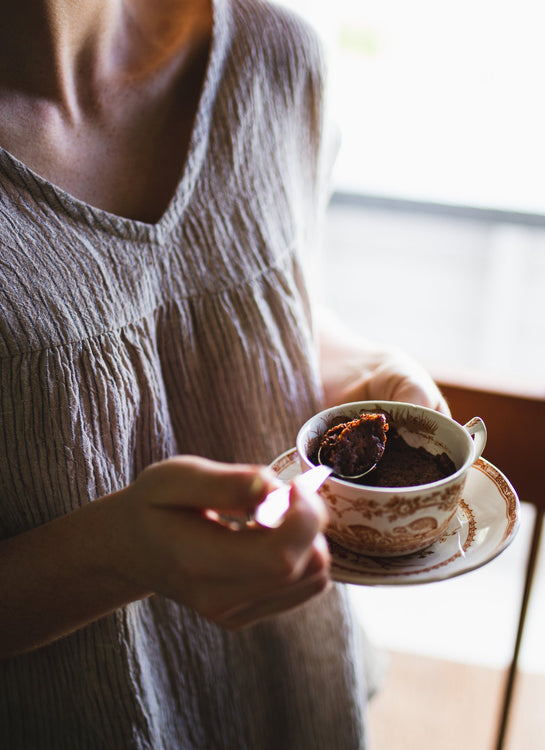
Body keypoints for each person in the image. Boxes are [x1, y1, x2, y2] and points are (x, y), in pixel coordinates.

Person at [0, 0, 449, 747]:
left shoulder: (276, 59)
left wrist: (362, 368)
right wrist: (112, 555)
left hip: (293, 700)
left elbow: (257, 310)